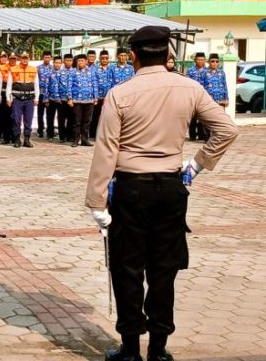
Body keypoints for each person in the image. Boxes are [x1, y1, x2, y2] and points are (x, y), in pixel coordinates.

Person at [86, 26, 238, 361]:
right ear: (168, 56)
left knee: (126, 269)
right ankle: (158, 349)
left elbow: (106, 150)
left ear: (135, 56)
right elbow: (227, 129)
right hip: (171, 188)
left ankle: (129, 349)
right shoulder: (190, 87)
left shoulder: (120, 93)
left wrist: (96, 202)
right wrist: (197, 165)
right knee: (163, 270)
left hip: (130, 189)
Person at [6, 52, 40, 148]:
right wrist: (8, 98)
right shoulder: (13, 69)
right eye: (23, 58)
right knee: (16, 120)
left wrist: (36, 97)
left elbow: (36, 84)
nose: (25, 60)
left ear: (29, 58)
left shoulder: (33, 69)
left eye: (26, 58)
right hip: (17, 99)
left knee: (28, 120)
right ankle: (17, 139)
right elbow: (9, 84)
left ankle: (27, 139)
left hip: (29, 99)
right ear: (20, 59)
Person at [66, 54, 98, 147]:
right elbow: (69, 86)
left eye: (82, 61)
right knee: (77, 121)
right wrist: (70, 99)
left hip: (89, 100)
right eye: (79, 61)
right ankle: (75, 140)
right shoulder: (72, 72)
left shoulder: (91, 72)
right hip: (77, 101)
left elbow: (94, 85)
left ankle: (85, 140)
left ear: (86, 61)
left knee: (87, 121)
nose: (80, 62)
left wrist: (95, 97)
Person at [0, 52, 14, 144]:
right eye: (11, 59)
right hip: (4, 94)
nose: (12, 60)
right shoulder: (2, 68)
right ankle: (5, 137)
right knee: (4, 117)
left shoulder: (18, 69)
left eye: (14, 59)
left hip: (15, 95)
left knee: (14, 117)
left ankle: (14, 137)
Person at [90, 49, 112, 139]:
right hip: (98, 97)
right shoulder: (95, 70)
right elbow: (94, 83)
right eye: (102, 58)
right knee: (95, 116)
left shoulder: (112, 69)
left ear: (108, 59)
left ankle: (106, 135)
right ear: (99, 58)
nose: (104, 60)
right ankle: (93, 135)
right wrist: (95, 96)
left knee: (108, 117)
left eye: (106, 58)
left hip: (109, 97)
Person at [187, 52, 208, 141]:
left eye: (202, 60)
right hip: (193, 96)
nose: (200, 61)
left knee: (203, 116)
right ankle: (192, 135)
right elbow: (187, 83)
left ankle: (202, 135)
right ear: (195, 60)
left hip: (204, 96)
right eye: (198, 60)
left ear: (205, 61)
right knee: (193, 117)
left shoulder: (208, 71)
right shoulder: (190, 71)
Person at [56, 53, 75, 142]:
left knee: (71, 118)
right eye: (67, 60)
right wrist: (57, 98)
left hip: (72, 100)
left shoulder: (75, 71)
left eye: (70, 60)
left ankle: (70, 136)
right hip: (62, 99)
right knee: (61, 119)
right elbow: (55, 85)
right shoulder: (59, 72)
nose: (68, 62)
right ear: (64, 61)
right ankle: (62, 137)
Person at [44, 55, 63, 141]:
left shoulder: (64, 74)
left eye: (59, 63)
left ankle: (62, 136)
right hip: (51, 99)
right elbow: (46, 86)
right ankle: (50, 134)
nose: (57, 64)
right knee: (50, 117)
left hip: (61, 99)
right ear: (53, 63)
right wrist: (46, 98)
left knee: (61, 118)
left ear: (61, 63)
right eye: (56, 62)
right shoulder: (49, 73)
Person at [37, 51, 53, 138]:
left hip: (50, 95)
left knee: (49, 114)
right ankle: (40, 130)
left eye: (49, 57)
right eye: (45, 57)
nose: (47, 59)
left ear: (51, 58)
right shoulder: (38, 68)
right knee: (40, 113)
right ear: (42, 58)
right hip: (41, 93)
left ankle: (50, 131)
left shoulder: (53, 68)